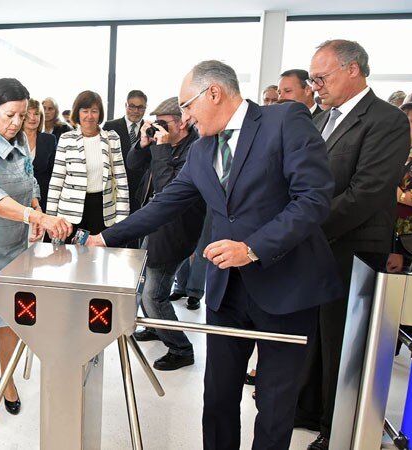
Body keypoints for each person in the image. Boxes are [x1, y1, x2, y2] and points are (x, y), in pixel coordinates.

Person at [87, 60, 343, 450]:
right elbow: (165, 203)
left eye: (187, 106)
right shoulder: (202, 150)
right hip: (226, 291)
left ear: (214, 92)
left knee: (275, 403)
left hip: (286, 285)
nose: (185, 117)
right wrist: (105, 238)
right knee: (218, 397)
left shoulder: (284, 121)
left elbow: (312, 199)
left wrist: (253, 248)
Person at [295, 39, 410, 450]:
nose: (315, 86)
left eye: (321, 78)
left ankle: (337, 428)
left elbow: (367, 192)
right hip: (314, 244)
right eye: (312, 79)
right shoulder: (320, 118)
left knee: (343, 342)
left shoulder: (386, 120)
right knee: (313, 332)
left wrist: (302, 224)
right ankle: (307, 409)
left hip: (353, 247)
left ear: (353, 69)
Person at [0, 78, 72, 425]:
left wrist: (35, 207)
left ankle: (7, 381)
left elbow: (28, 179)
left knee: (11, 317)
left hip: (13, 244)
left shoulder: (18, 139)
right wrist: (37, 217)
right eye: (10, 115)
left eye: (22, 115)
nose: (17, 123)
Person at [126, 96, 204, 370]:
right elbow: (133, 164)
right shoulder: (166, 143)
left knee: (153, 294)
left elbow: (168, 190)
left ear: (182, 123)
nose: (158, 127)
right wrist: (143, 143)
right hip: (154, 224)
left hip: (175, 231)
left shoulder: (195, 150)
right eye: (155, 122)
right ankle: (155, 326)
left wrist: (160, 149)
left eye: (163, 123)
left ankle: (181, 348)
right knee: (144, 280)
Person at [46, 90, 130, 239]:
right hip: (70, 213)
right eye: (85, 111)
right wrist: (50, 218)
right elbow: (57, 180)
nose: (89, 116)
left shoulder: (112, 139)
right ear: (77, 113)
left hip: (102, 210)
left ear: (100, 114)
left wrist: (122, 220)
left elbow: (121, 180)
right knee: (69, 253)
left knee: (98, 252)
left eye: (94, 111)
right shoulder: (66, 139)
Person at [104, 90, 149, 215]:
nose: (136, 111)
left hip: (140, 190)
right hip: (116, 187)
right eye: (132, 106)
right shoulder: (110, 127)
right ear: (126, 105)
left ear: (145, 108)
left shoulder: (150, 129)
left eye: (140, 107)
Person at [23, 98, 57, 211]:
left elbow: (54, 173)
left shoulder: (49, 140)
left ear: (41, 117)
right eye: (28, 114)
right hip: (17, 198)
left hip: (43, 198)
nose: (32, 118)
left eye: (36, 114)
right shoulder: (12, 139)